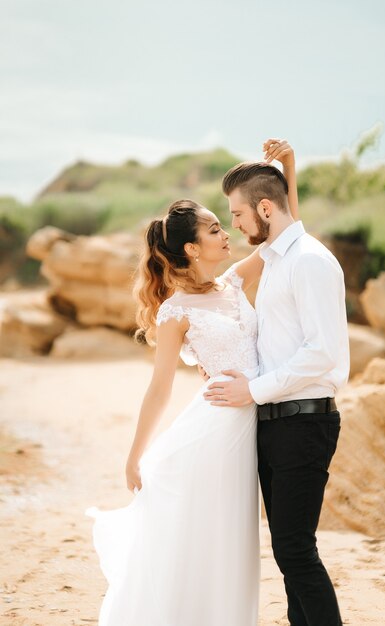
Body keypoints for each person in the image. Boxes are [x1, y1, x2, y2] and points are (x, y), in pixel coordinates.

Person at [85, 143, 299, 626]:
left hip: (248, 424)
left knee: (233, 544)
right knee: (206, 540)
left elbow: (284, 236)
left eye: (224, 224)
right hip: (213, 435)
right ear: (191, 248)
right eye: (214, 229)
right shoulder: (176, 311)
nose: (226, 233)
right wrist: (133, 455)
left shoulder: (234, 283)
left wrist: (289, 168)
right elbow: (159, 389)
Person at [203, 139, 350, 626]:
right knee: (288, 554)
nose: (236, 224)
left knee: (295, 550)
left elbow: (322, 352)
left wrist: (254, 389)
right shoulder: (278, 258)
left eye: (239, 214)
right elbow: (280, 345)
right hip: (276, 423)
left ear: (265, 208)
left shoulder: (308, 260)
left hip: (304, 422)